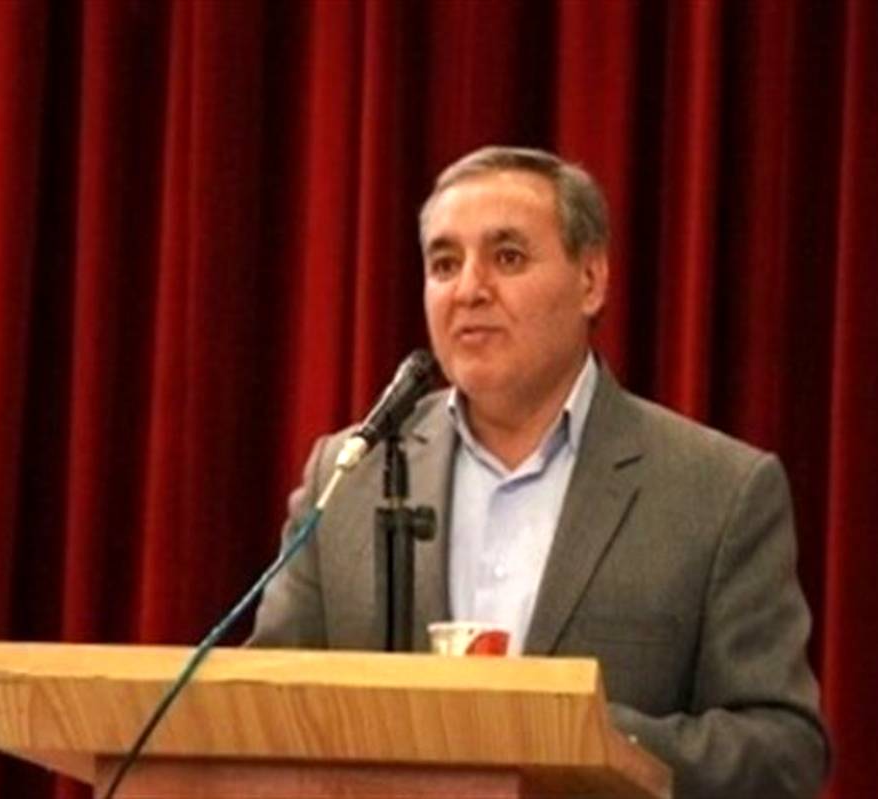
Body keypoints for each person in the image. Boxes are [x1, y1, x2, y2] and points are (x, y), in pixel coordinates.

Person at [250, 146, 830, 797]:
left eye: (508, 257)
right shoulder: (349, 477)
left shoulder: (717, 492)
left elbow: (782, 753)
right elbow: (260, 713)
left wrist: (584, 737)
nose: (469, 289)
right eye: (445, 264)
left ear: (591, 280)